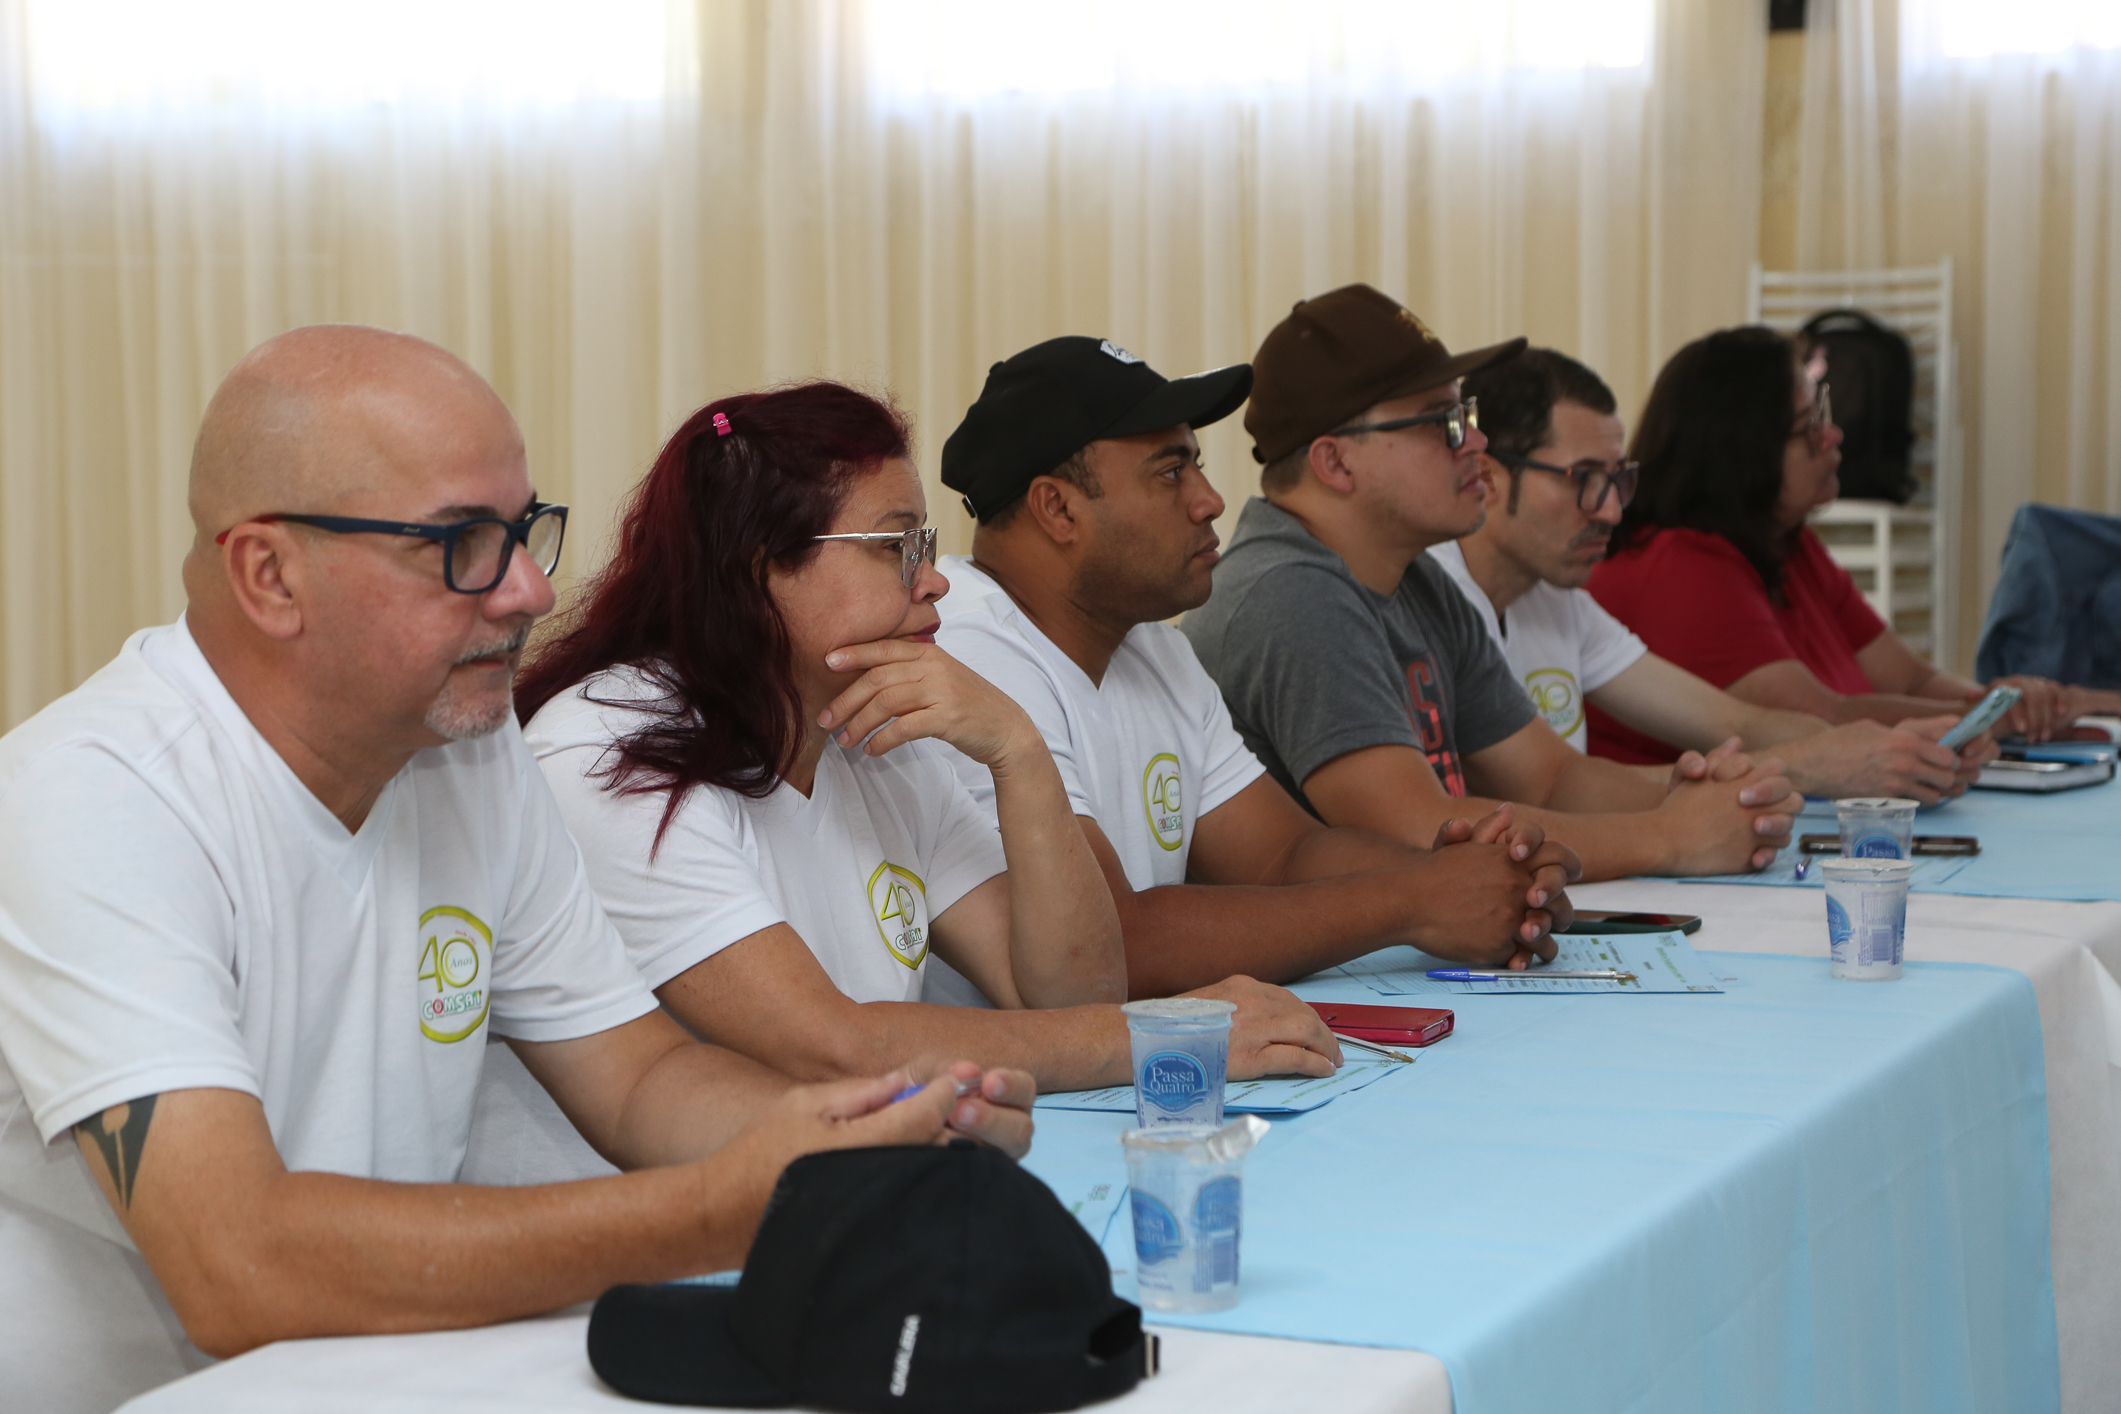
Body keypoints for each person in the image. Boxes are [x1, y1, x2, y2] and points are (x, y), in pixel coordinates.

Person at [0, 328, 1031, 1414]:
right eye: (463, 544)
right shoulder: (90, 794)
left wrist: (870, 1127)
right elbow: (237, 1264)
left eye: (527, 528)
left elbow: (639, 1077)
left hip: (397, 1369)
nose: (531, 588)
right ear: (269, 573)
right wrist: (724, 1206)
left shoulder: (466, 752)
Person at [468, 379, 1340, 1187]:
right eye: (895, 546)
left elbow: (1071, 994)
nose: (932, 580)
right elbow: (834, 1046)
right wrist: (1173, 1038)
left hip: (833, 1202)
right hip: (616, 1249)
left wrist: (1018, 751)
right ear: (756, 564)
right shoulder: (609, 748)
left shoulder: (876, 732)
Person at [929, 335, 1581, 999]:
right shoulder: (965, 650)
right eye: (1169, 471)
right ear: (1058, 509)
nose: (1209, 500)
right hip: (989, 1090)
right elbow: (1118, 943)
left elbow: (1284, 855)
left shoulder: (1154, 649)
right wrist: (1417, 901)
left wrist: (1480, 876)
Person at [1181, 285, 1799, 882]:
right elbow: (1419, 831)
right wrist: (1672, 837)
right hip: (1310, 979)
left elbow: (1550, 778)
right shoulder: (1290, 596)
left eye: (1465, 416)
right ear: (1336, 462)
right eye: (1441, 423)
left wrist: (1702, 796)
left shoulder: (1414, 576)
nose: (1476, 442)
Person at [1437, 345, 1992, 804]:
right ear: (1487, 476)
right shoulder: (1431, 599)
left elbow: (1738, 722)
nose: (1609, 511)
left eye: (1617, 480)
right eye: (1583, 479)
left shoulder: (1556, 598)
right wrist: (1808, 766)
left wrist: (1886, 747)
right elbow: (1553, 786)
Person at [1586, 325, 2121, 760]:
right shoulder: (1682, 566)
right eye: (1810, 425)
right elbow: (1821, 720)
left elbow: (1913, 680)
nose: (1834, 434)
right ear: (1743, 453)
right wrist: (1995, 716)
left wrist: (2022, 705)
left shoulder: (1787, 543)